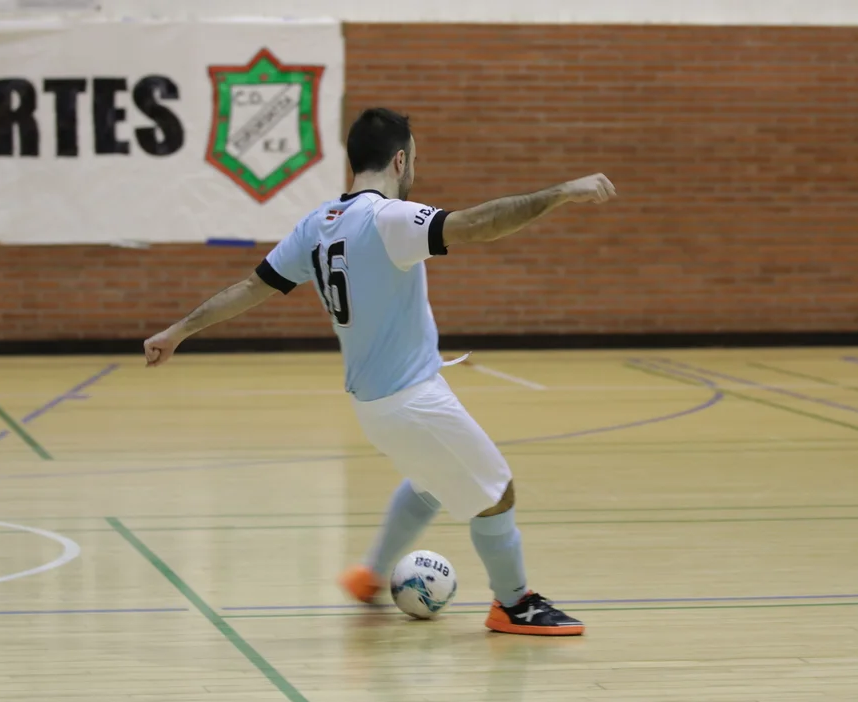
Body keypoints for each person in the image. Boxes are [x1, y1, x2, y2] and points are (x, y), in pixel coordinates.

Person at [144, 107, 616, 635]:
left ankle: (370, 576)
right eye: (414, 159)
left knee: (430, 483)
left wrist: (178, 330)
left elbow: (251, 288)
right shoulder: (389, 218)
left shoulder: (318, 225)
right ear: (400, 160)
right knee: (496, 493)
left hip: (376, 404)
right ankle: (514, 603)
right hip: (413, 401)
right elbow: (478, 223)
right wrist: (561, 192)